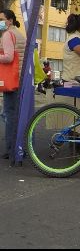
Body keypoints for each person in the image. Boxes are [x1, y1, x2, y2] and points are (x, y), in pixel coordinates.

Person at [0, 10, 24, 159]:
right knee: (20, 114)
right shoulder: (19, 34)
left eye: (1, 19)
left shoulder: (7, 34)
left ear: (10, 20)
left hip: (12, 79)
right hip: (21, 78)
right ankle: (22, 147)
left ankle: (10, 148)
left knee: (9, 115)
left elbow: (8, 57)